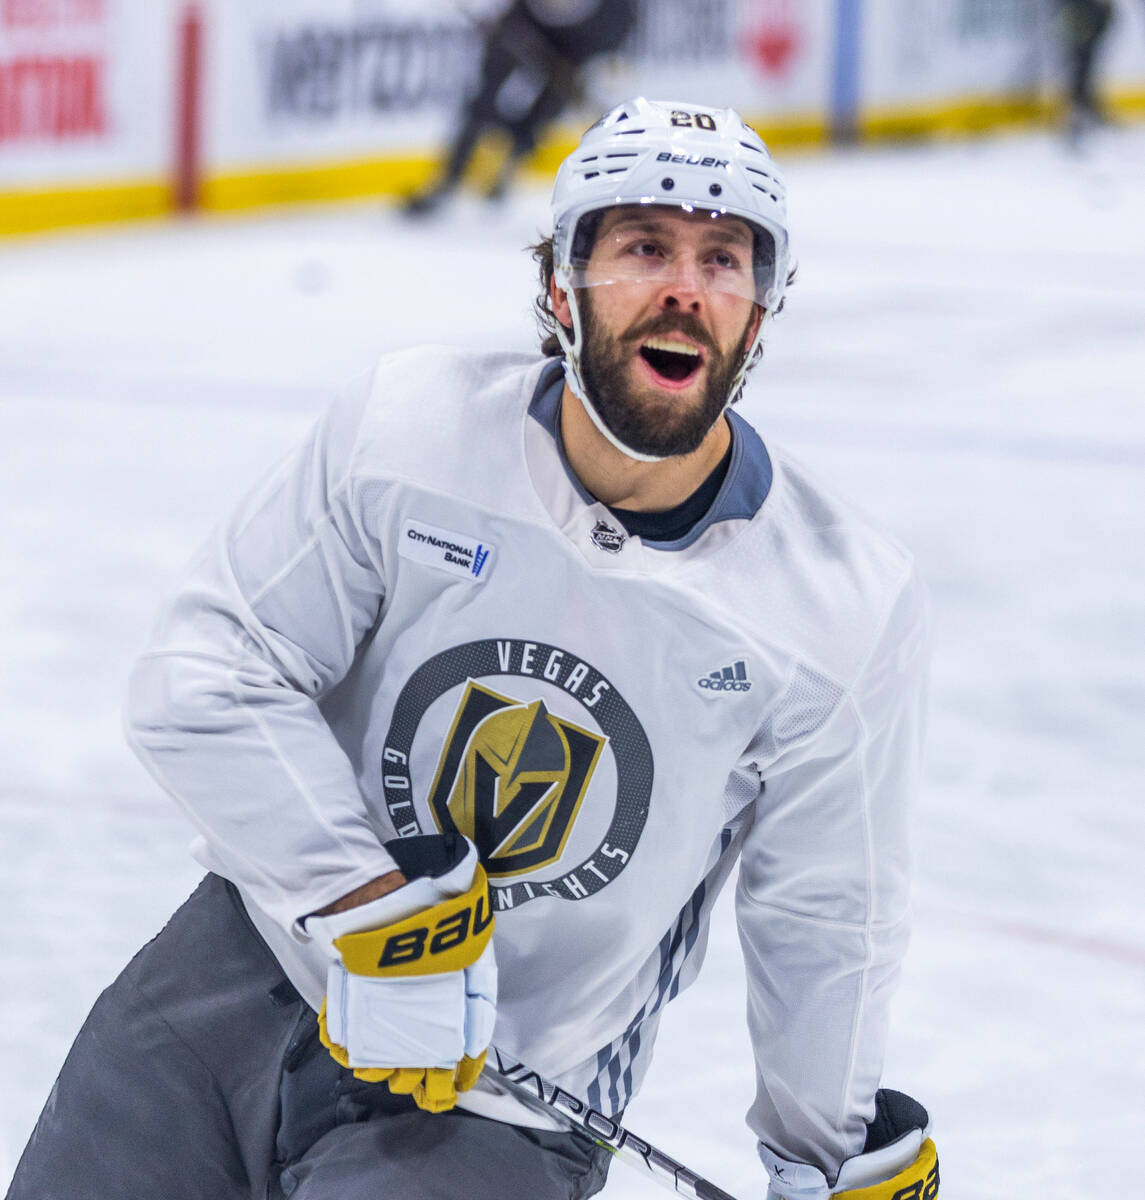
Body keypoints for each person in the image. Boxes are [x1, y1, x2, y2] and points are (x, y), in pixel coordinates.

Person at [7, 97, 939, 1200]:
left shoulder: (838, 608)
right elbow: (204, 669)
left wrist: (827, 1156)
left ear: (756, 313)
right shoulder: (411, 434)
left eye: (722, 258)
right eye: (643, 246)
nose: (684, 285)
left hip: (501, 1100)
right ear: (558, 285)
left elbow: (826, 916)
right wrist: (365, 904)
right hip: (241, 974)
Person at [403, 0, 637, 215]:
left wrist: (592, 66)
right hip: (526, 24)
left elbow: (613, 39)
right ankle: (449, 180)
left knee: (545, 109)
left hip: (575, 45)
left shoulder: (612, 17)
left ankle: (509, 163)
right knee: (484, 100)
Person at [1055, 0, 1116, 143]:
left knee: (1085, 59)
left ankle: (1082, 105)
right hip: (1078, 8)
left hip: (1091, 11)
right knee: (1079, 58)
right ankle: (1076, 109)